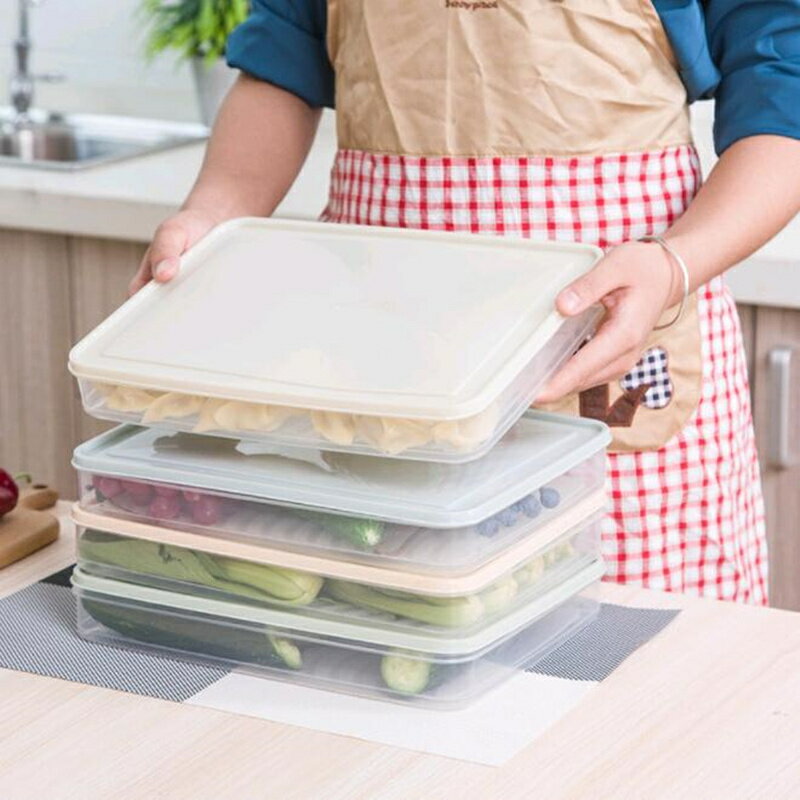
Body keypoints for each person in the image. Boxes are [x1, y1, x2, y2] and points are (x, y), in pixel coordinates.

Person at [130, 1, 800, 605]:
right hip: (392, 366)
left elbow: (784, 92)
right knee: (399, 633)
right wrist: (214, 213)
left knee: (642, 680)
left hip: (617, 349)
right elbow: (282, 67)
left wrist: (674, 262)